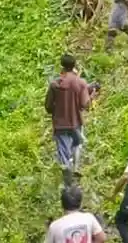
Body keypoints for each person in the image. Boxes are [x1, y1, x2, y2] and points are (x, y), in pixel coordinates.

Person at [45, 54, 94, 185]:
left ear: (62, 66)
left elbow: (48, 106)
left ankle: (67, 176)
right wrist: (91, 97)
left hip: (60, 124)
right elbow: (85, 104)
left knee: (63, 150)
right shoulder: (81, 82)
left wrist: (55, 110)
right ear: (74, 66)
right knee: (78, 142)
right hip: (76, 123)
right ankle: (76, 167)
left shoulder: (55, 84)